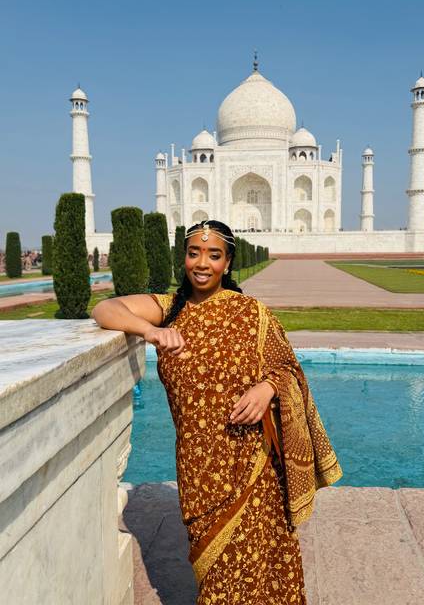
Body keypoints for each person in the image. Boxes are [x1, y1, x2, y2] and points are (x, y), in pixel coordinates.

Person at [92, 219, 343, 604]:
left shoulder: (251, 313)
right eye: (194, 253)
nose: (202, 263)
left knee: (262, 566)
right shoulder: (168, 308)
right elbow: (105, 308)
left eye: (213, 255)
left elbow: (289, 369)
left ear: (227, 263)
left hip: (254, 464)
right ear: (185, 258)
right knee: (215, 571)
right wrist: (151, 331)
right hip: (199, 469)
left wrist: (267, 388)